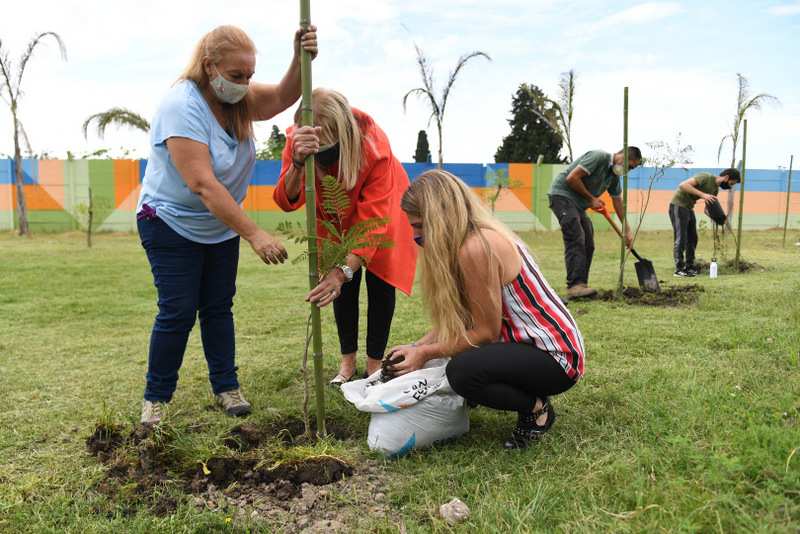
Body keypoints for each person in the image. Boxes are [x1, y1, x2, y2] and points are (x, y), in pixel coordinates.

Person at [135, 25, 318, 425]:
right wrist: (254, 233)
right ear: (209, 67)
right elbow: (202, 184)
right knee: (178, 310)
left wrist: (298, 56)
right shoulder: (181, 106)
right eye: (237, 76)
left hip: (218, 225)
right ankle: (156, 399)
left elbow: (283, 98)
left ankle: (226, 387)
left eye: (249, 76)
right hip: (170, 221)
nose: (245, 85)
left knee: (218, 307)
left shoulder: (234, 98)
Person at [385, 169, 585, 449]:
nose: (416, 236)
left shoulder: (477, 248)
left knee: (462, 372)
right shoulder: (470, 241)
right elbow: (465, 315)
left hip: (557, 358)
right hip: (528, 348)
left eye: (420, 226)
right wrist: (416, 347)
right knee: (455, 360)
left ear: (441, 218)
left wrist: (426, 353)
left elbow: (485, 333)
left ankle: (537, 409)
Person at [274, 88, 417, 385]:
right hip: (334, 215)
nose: (323, 162)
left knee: (380, 282)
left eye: (327, 153)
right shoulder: (300, 139)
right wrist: (299, 163)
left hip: (383, 213)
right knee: (343, 286)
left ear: (344, 137)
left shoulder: (374, 148)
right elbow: (285, 200)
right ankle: (347, 363)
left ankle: (375, 364)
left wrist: (343, 271)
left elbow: (373, 223)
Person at [548, 148, 642, 299]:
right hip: (562, 196)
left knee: (588, 242)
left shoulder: (613, 178)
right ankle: (575, 286)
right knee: (576, 237)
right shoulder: (598, 157)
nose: (627, 171)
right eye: (629, 166)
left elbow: (617, 201)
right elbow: (572, 178)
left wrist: (627, 230)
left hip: (578, 205)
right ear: (621, 156)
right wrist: (591, 199)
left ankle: (582, 285)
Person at [669, 169, 741, 276]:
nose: (730, 186)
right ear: (726, 178)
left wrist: (719, 218)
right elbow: (683, 185)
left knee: (693, 238)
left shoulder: (715, 190)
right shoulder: (705, 177)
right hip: (678, 205)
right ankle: (679, 269)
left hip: (689, 208)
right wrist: (703, 195)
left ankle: (689, 267)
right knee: (681, 238)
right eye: (731, 183)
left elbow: (707, 209)